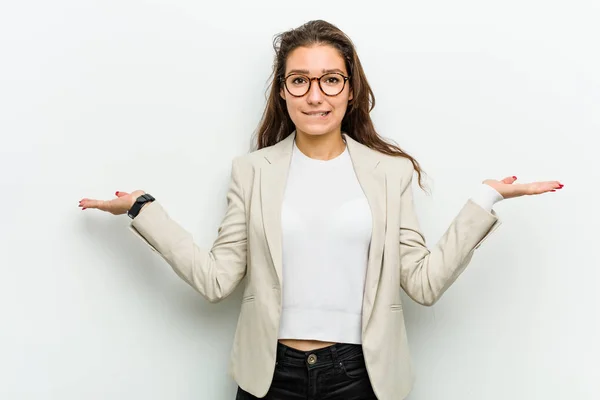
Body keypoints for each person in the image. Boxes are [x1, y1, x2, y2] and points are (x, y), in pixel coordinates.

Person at [78, 19, 563, 400]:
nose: (316, 95)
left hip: (362, 376)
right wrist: (143, 209)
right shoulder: (251, 171)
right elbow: (216, 279)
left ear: (351, 89)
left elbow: (423, 283)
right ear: (283, 91)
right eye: (300, 81)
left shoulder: (388, 174)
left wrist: (485, 200)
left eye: (331, 80)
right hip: (270, 374)